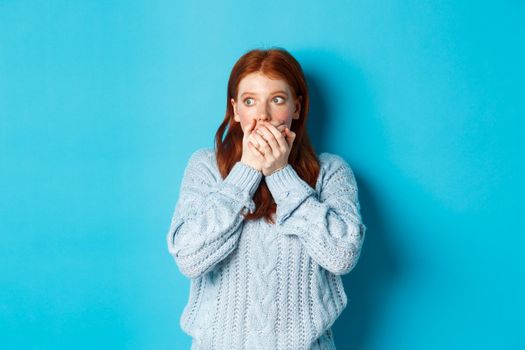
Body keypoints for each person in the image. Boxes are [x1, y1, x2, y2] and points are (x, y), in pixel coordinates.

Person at [166, 47, 367, 350]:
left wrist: (280, 174)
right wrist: (246, 171)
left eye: (277, 99)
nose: (262, 115)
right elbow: (189, 258)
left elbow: (343, 256)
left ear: (296, 108)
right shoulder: (206, 167)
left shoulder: (331, 172)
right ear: (235, 110)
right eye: (250, 101)